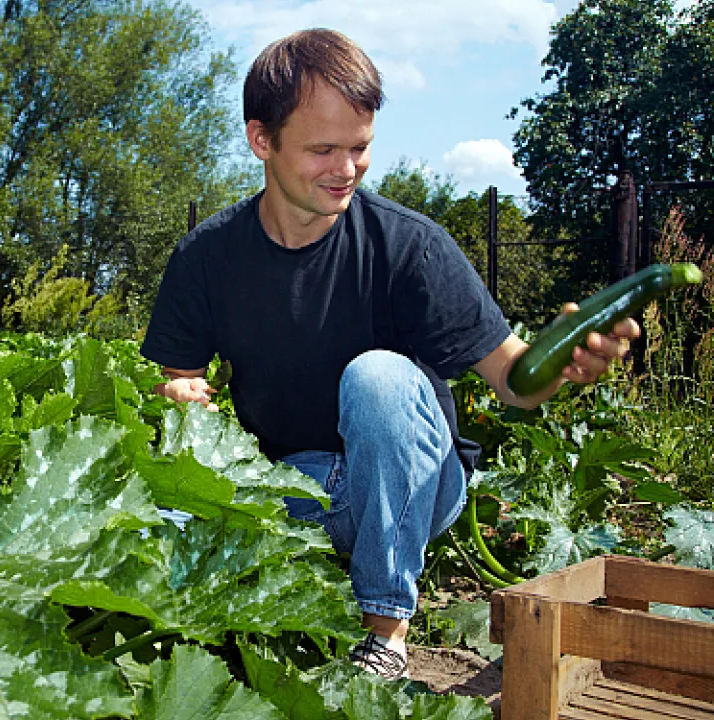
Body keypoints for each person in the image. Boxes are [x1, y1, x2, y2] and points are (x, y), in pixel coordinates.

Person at [139, 28, 639, 680]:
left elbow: (514, 380)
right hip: (294, 488)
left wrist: (565, 361)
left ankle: (385, 635)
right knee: (164, 514)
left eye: (360, 148)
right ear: (262, 140)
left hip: (418, 484)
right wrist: (182, 395)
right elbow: (179, 383)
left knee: (379, 376)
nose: (345, 169)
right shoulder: (205, 258)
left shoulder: (411, 246)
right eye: (323, 149)